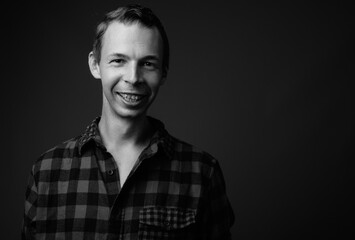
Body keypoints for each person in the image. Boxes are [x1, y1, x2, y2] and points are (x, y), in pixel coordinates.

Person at [22, 4, 234, 239]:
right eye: (118, 61)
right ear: (95, 64)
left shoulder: (202, 173)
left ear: (163, 72)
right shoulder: (46, 172)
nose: (133, 78)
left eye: (148, 63)